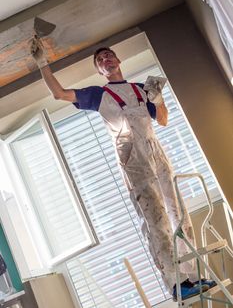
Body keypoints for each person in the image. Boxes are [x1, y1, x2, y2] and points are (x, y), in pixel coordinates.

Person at [31, 39, 215, 301]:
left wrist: (158, 98)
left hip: (156, 152)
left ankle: (194, 276)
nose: (106, 60)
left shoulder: (142, 88)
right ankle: (177, 284)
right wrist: (42, 63)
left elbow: (162, 120)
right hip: (132, 157)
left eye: (109, 56)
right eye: (100, 60)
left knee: (179, 214)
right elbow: (60, 94)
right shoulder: (98, 94)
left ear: (118, 61)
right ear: (100, 70)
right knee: (155, 220)